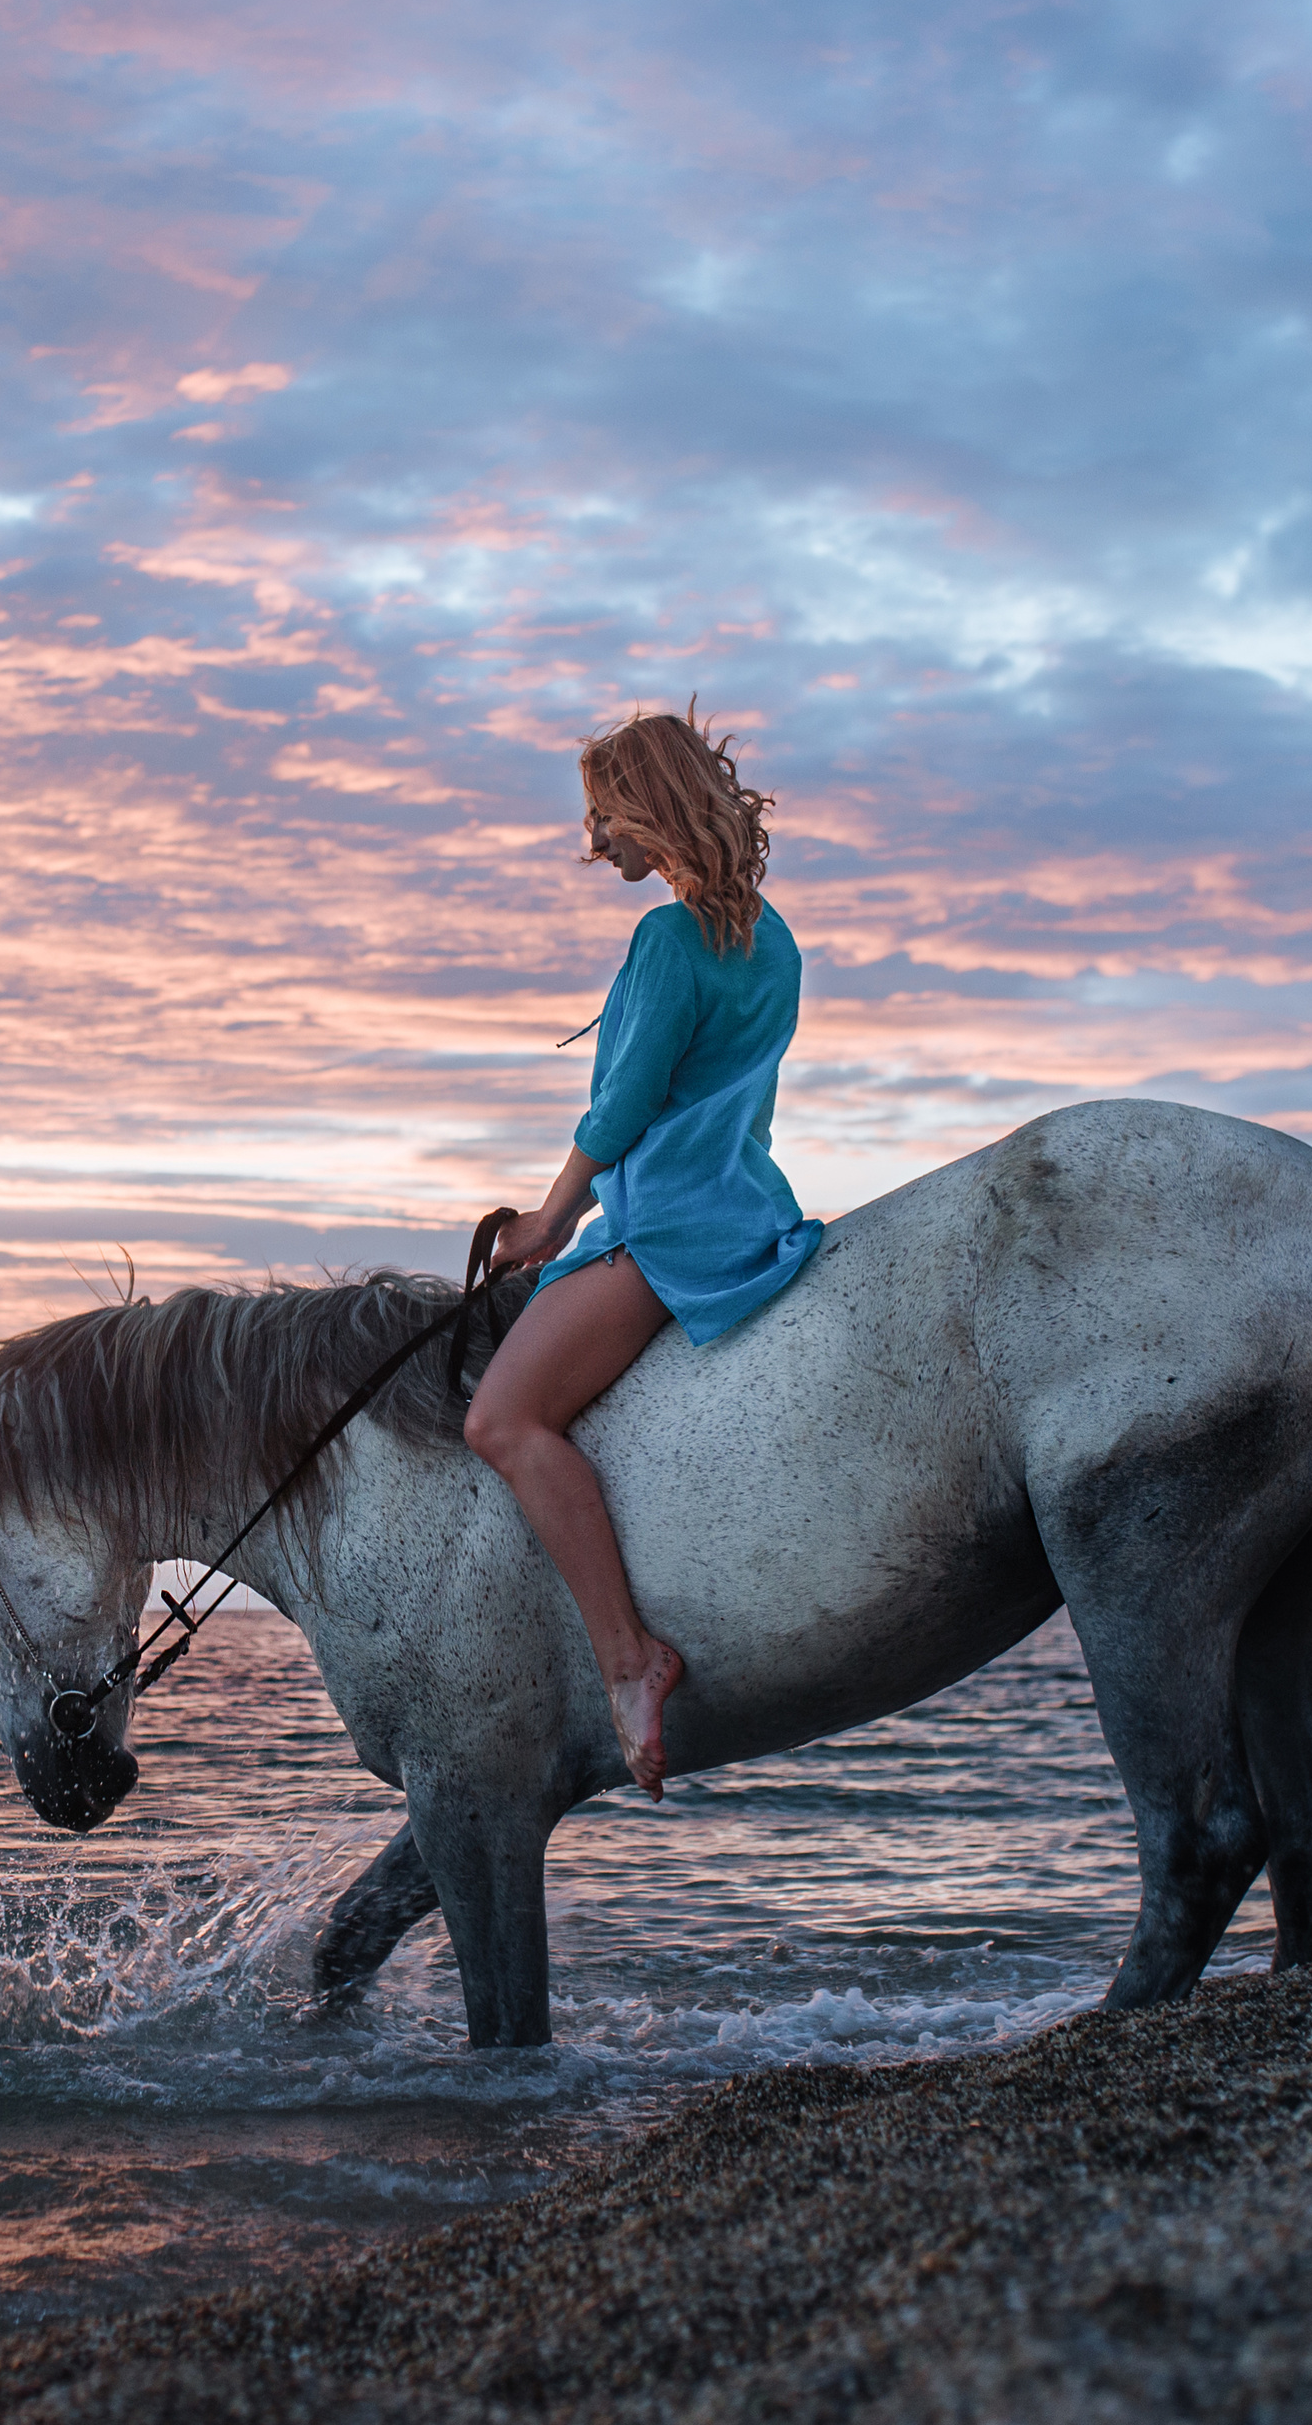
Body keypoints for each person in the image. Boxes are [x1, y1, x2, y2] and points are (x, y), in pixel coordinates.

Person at [464, 701, 825, 1799]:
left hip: (664, 1224)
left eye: (602, 814)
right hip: (745, 1204)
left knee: (502, 1420)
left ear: (648, 807)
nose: (592, 838)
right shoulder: (773, 938)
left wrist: (547, 1222)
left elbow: (622, 1108)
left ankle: (627, 1659)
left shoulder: (667, 941)